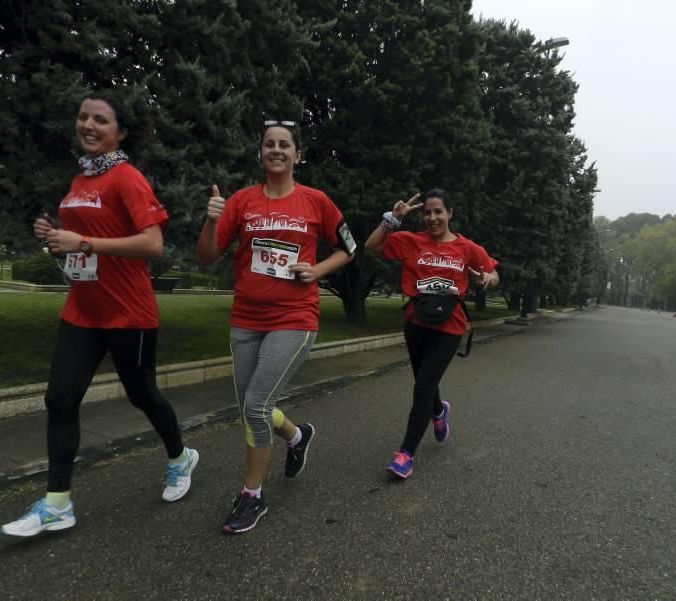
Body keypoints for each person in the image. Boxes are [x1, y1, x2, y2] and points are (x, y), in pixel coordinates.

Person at [1, 91, 198, 537]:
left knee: (143, 395)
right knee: (60, 399)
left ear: (120, 132)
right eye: (83, 117)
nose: (88, 125)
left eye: (101, 120)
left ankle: (179, 457)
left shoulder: (128, 179)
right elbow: (82, 238)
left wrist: (83, 243)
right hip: (83, 311)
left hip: (129, 313)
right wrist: (53, 233)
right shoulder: (79, 181)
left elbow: (153, 245)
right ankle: (57, 504)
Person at [197, 118, 356, 534]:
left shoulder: (315, 200)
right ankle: (297, 437)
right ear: (261, 153)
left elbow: (348, 248)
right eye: (269, 144)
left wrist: (317, 269)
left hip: (295, 316)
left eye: (285, 144)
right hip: (246, 318)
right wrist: (212, 220)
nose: (277, 150)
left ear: (297, 155)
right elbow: (208, 256)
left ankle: (252, 495)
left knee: (254, 406)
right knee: (254, 405)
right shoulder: (241, 202)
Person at [365, 189, 498, 479]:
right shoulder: (410, 241)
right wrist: (392, 219)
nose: (432, 217)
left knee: (424, 385)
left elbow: (493, 272)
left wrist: (488, 278)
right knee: (425, 381)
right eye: (427, 212)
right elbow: (372, 245)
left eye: (439, 211)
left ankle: (405, 454)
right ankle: (438, 412)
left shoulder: (467, 248)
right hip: (415, 322)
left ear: (450, 213)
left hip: (449, 327)